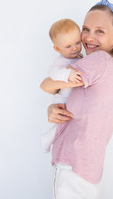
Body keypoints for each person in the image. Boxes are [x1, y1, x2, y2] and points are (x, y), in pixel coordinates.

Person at [40, 0, 113, 199]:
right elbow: (71, 97)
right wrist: (55, 109)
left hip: (72, 165)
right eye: (85, 29)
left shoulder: (98, 60)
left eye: (100, 31)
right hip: (86, 168)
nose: (89, 38)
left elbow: (47, 84)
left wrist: (53, 89)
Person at [41, 19, 83, 153]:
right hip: (62, 99)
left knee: (69, 123)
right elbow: (52, 72)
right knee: (65, 122)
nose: (75, 48)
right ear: (57, 48)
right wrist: (67, 74)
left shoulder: (78, 56)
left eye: (78, 42)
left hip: (70, 97)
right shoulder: (61, 61)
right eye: (68, 46)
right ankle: (47, 139)